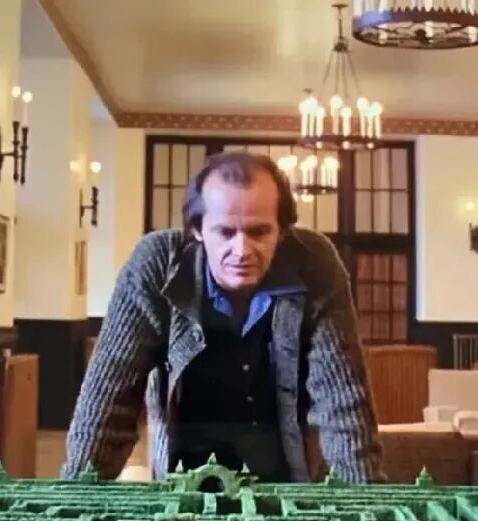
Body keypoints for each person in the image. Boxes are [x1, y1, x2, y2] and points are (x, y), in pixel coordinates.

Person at [61, 151, 384, 484]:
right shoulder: (158, 263)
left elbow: (342, 403)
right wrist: (75, 498)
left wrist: (363, 504)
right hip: (181, 482)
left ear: (282, 230)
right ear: (198, 229)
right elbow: (108, 399)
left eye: (259, 232)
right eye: (226, 232)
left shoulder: (314, 262)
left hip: (283, 480)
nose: (242, 250)